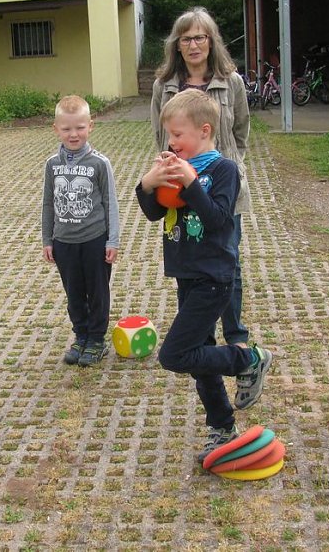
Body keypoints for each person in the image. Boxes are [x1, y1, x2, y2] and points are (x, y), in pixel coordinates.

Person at [136, 89, 271, 463]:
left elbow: (218, 219)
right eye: (169, 135)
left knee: (176, 355)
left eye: (177, 135)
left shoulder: (224, 170)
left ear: (205, 130)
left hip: (214, 276)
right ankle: (222, 426)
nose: (171, 142)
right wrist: (148, 183)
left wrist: (192, 182)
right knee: (199, 354)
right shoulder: (173, 171)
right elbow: (153, 213)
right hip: (187, 276)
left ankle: (249, 359)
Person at [150, 6, 254, 363]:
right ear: (176, 45)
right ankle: (201, 334)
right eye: (186, 38)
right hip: (180, 188)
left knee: (228, 258)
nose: (193, 44)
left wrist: (224, 166)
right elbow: (158, 135)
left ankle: (236, 335)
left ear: (211, 42)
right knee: (193, 255)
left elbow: (241, 132)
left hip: (221, 183)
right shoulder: (163, 86)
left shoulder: (232, 82)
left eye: (200, 37)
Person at [42, 95, 120, 366]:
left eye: (79, 128)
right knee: (74, 293)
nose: (73, 134)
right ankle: (81, 335)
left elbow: (110, 203)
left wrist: (113, 240)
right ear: (56, 129)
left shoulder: (100, 163)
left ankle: (96, 339)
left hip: (94, 241)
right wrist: (47, 239)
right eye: (67, 128)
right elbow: (48, 204)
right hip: (64, 242)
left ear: (90, 127)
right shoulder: (52, 164)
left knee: (97, 292)